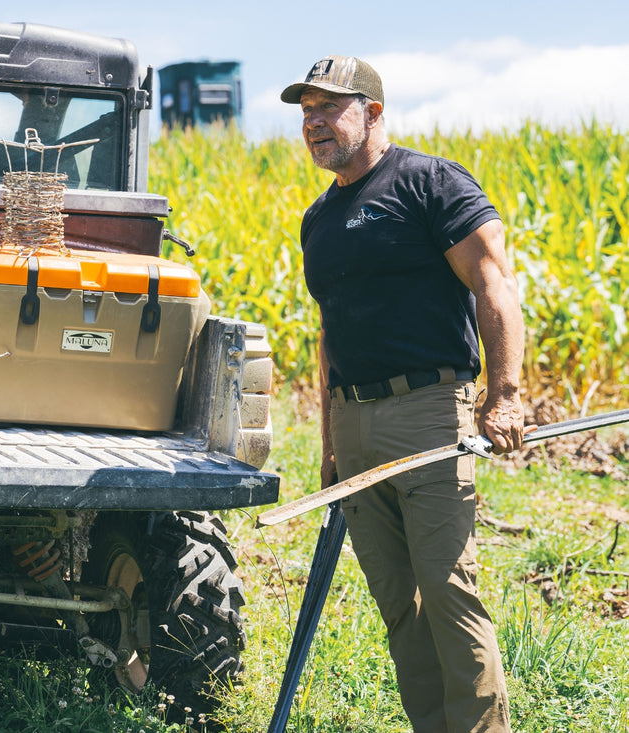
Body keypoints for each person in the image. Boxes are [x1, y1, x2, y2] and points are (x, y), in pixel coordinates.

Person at [281, 55, 527, 733]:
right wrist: (330, 446)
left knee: (450, 594)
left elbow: (493, 284)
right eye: (306, 113)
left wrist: (504, 393)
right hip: (354, 423)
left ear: (375, 112)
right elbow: (330, 333)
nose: (315, 124)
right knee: (398, 603)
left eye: (329, 107)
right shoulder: (318, 220)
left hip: (428, 414)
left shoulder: (429, 183)